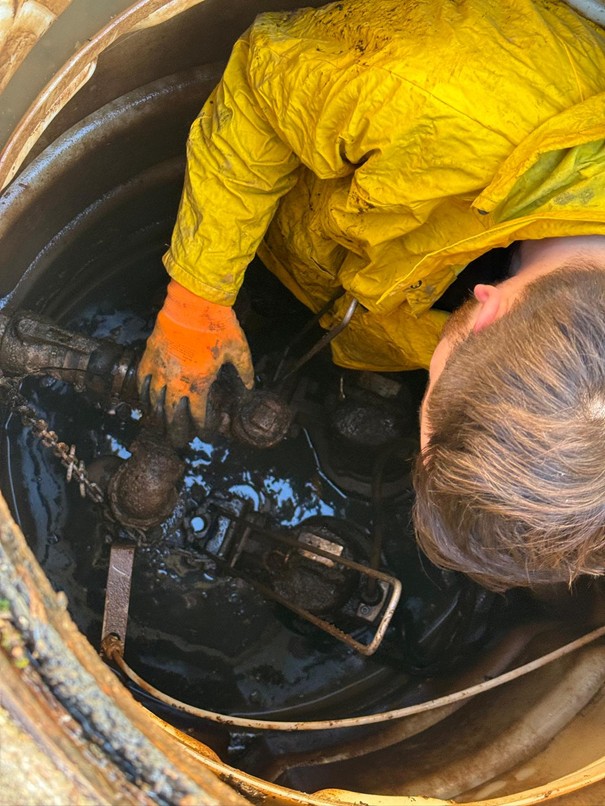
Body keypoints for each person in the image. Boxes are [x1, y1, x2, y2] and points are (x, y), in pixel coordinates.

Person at [138, 0, 605, 590]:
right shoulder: (432, 96)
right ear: (485, 308)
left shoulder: (549, 355)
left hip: (348, 289)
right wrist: (197, 296)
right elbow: (263, 79)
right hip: (331, 189)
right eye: (429, 397)